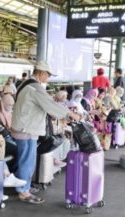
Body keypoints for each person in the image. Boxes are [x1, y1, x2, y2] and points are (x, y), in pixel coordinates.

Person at [12, 61, 81, 204]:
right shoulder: (35, 88)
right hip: (26, 130)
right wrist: (71, 115)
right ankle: (24, 192)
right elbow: (51, 105)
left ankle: (23, 186)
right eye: (48, 75)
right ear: (42, 73)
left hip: (24, 128)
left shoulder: (25, 85)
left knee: (25, 160)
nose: (48, 79)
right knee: (27, 161)